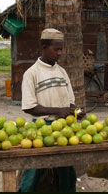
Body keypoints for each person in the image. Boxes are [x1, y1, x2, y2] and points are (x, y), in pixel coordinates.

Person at [19, 28, 84, 192]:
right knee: (32, 171)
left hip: (64, 128)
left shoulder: (62, 72)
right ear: (43, 47)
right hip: (40, 128)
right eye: (56, 49)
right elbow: (30, 107)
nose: (60, 53)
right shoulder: (32, 73)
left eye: (61, 49)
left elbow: (70, 104)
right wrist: (58, 111)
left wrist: (76, 112)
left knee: (67, 171)